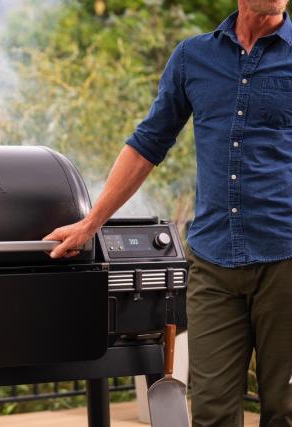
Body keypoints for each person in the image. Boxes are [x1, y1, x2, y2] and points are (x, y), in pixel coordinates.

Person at [44, 0, 292, 425]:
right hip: (213, 263)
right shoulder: (193, 57)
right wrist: (91, 222)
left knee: (283, 410)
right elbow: (148, 143)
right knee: (212, 412)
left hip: (286, 258)